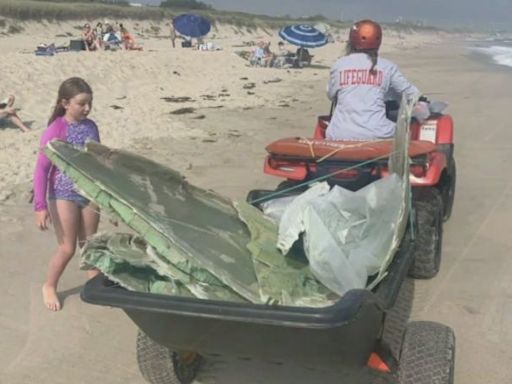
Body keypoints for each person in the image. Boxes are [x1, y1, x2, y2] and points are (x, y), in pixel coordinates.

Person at [33, 77, 101, 311]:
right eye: (81, 103)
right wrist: (40, 207)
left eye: (89, 103)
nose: (87, 108)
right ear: (65, 103)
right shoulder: (55, 129)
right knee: (67, 247)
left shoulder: (91, 126)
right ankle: (50, 286)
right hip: (62, 194)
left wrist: (107, 197)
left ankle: (94, 280)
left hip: (89, 191)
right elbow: (41, 170)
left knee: (89, 243)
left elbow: (97, 162)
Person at [325, 19, 420, 140]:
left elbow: (331, 94)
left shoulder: (339, 65)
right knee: (407, 132)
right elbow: (411, 94)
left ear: (351, 41)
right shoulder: (387, 66)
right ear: (378, 42)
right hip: (378, 133)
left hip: (338, 134)